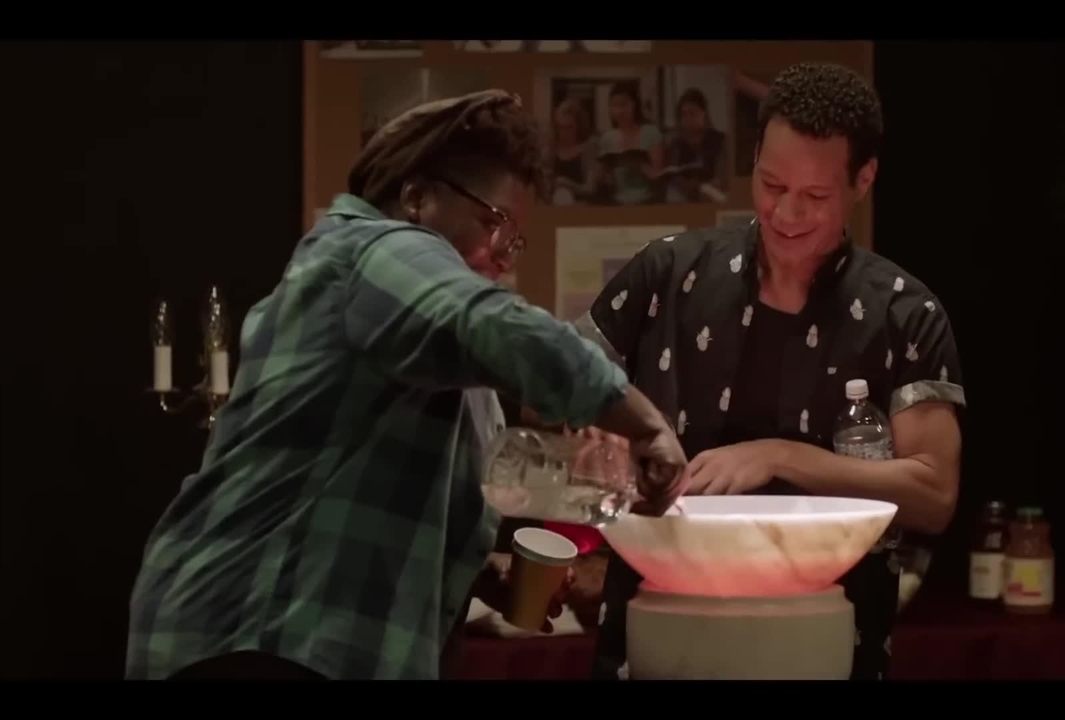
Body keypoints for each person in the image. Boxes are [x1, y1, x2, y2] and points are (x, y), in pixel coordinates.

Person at [125, 90, 687, 681]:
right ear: (417, 198)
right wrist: (643, 423)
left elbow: (370, 483)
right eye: (494, 223)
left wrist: (478, 573)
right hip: (258, 633)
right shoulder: (373, 251)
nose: (503, 258)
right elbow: (501, 327)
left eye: (514, 240)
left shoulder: (418, 324)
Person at [573, 63, 966, 680]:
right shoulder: (668, 274)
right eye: (771, 183)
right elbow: (553, 388)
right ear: (754, 157)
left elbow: (934, 494)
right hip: (658, 619)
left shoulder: (902, 313)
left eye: (815, 196)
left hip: (827, 634)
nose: (786, 212)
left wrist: (782, 456)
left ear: (863, 180)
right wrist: (592, 426)